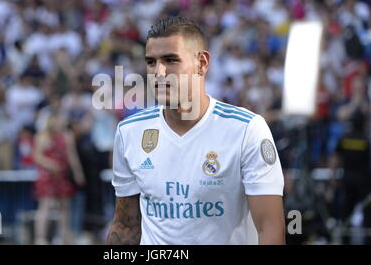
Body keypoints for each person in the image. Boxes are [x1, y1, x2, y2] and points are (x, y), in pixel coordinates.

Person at [106, 17, 285, 245]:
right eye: (151, 62)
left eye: (171, 60)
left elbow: (270, 229)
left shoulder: (246, 130)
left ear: (202, 63)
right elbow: (125, 226)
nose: (159, 72)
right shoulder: (129, 132)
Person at [33, 112, 86, 245]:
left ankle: (64, 236)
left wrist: (78, 173)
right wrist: (50, 164)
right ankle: (40, 238)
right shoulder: (43, 136)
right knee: (45, 206)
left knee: (64, 207)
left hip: (62, 175)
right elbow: (37, 156)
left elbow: (72, 156)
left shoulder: (67, 136)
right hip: (47, 175)